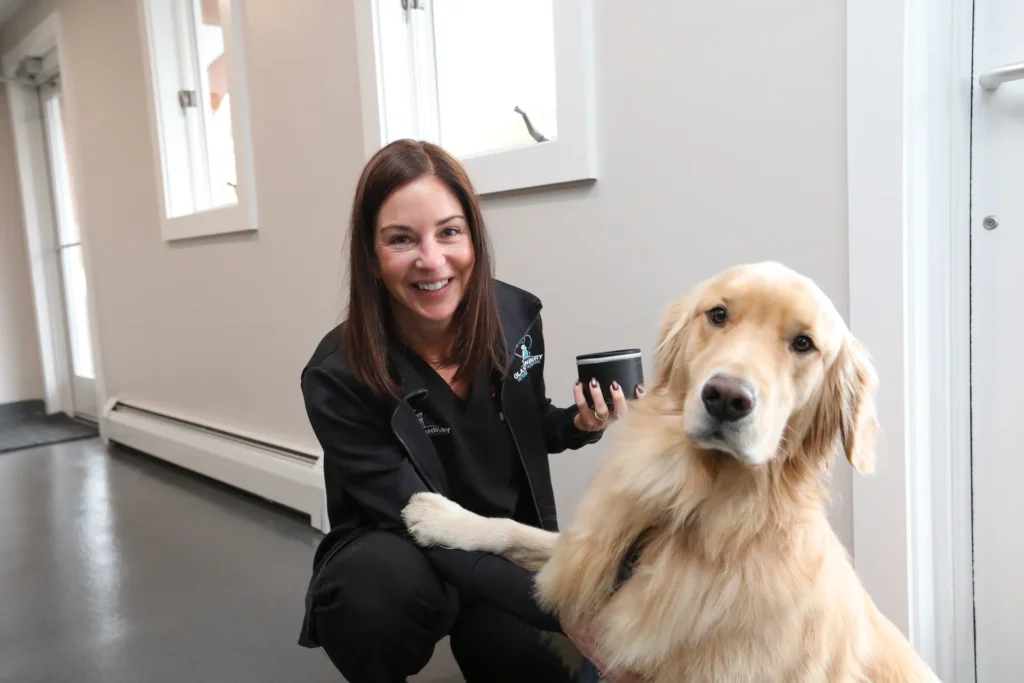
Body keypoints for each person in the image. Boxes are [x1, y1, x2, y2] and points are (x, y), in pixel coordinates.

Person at [296, 139, 643, 683]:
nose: (431, 260)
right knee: (372, 596)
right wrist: (563, 607)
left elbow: (523, 424)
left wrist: (576, 426)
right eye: (401, 239)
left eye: (449, 232)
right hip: (404, 551)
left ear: (473, 238)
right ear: (371, 255)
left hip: (502, 544)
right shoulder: (336, 376)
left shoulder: (517, 317)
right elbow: (416, 517)